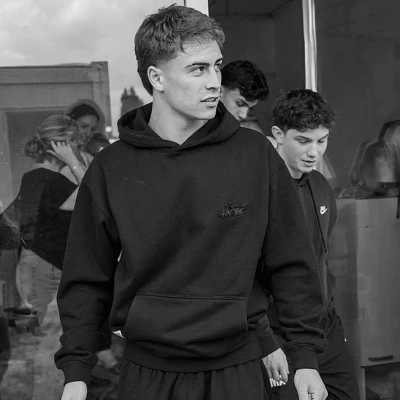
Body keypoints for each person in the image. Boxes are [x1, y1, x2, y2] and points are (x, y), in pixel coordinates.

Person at [55, 6, 329, 400]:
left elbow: (291, 263)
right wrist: (76, 371)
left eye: (216, 66)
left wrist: (304, 357)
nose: (215, 82)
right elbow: (86, 276)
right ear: (157, 77)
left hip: (237, 370)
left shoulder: (254, 155)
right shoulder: (111, 167)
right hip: (147, 373)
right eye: (198, 69)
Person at [266, 89, 360, 400]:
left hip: (323, 321)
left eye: (322, 141)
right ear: (278, 135)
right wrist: (264, 339)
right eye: (303, 141)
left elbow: (322, 255)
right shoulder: (259, 189)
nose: (314, 152)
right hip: (278, 328)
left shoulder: (320, 185)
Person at [15, 115, 85, 325]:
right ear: (60, 144)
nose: (79, 145)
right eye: (74, 140)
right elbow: (96, 196)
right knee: (52, 338)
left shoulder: (35, 176)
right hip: (47, 273)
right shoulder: (51, 181)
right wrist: (73, 162)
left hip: (38, 270)